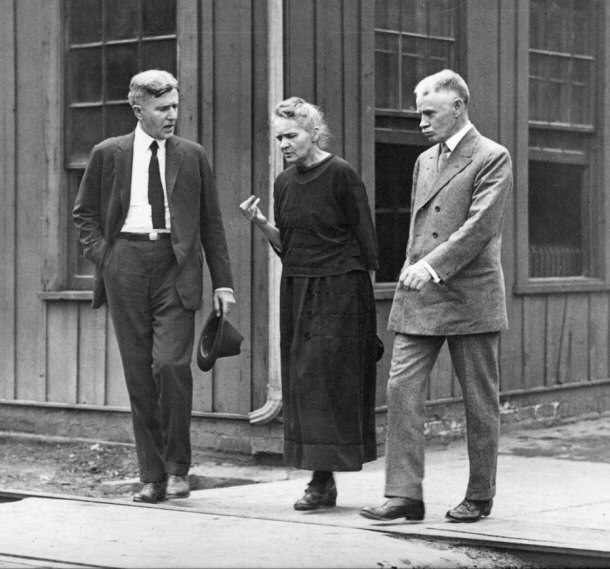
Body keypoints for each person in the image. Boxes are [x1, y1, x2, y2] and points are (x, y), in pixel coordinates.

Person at [73, 69, 235, 503]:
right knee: (139, 374)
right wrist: (105, 259)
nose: (172, 116)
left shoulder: (192, 154)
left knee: (171, 367)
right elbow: (84, 214)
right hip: (124, 264)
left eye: (175, 107)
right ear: (138, 108)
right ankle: (152, 476)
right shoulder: (108, 153)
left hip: (175, 266)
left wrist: (223, 283)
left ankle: (179, 468)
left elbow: (211, 223)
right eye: (163, 108)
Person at [360, 69, 512, 524]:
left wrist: (430, 267)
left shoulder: (491, 156)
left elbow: (481, 226)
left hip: (470, 297)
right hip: (421, 295)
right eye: (419, 113)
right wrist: (415, 268)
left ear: (458, 107)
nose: (421, 121)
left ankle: (480, 494)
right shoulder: (424, 161)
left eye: (429, 112)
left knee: (478, 400)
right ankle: (404, 495)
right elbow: (419, 228)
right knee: (401, 387)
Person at [240, 97, 379, 511]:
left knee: (330, 381)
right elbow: (290, 246)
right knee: (304, 381)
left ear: (313, 133)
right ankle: (321, 480)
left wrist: (363, 307)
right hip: (298, 289)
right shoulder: (283, 183)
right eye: (279, 136)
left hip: (340, 290)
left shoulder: (341, 174)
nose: (283, 143)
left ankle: (323, 480)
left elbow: (367, 244)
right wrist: (263, 224)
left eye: (291, 135)